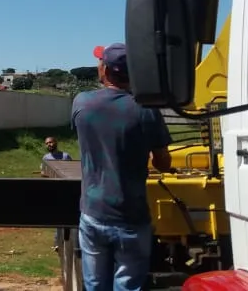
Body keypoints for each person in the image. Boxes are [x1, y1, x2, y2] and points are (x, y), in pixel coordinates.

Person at [70, 42, 172, 291]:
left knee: (94, 285)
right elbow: (163, 162)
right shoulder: (147, 110)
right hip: (132, 217)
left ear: (104, 70)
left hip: (94, 212)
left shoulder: (82, 103)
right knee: (128, 286)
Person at [41, 136, 73, 251]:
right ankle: (57, 242)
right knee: (57, 218)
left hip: (66, 190)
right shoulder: (46, 158)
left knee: (67, 217)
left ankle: (68, 241)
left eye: (51, 142)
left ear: (56, 142)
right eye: (47, 143)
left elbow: (72, 172)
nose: (49, 144)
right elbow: (43, 172)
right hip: (54, 191)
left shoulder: (65, 156)